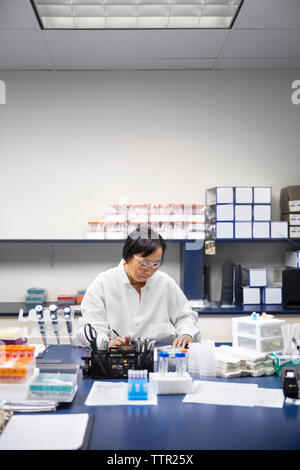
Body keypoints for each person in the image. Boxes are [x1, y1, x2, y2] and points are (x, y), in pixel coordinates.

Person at [74, 226, 200, 349]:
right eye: (144, 264)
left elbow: (185, 316)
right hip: (119, 356)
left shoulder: (165, 282)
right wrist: (106, 343)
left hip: (161, 355)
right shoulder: (103, 283)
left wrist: (187, 333)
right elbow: (89, 329)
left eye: (156, 264)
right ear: (128, 256)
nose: (149, 271)